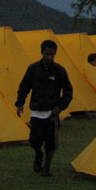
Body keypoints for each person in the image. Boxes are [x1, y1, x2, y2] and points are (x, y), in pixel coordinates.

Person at [15, 39, 73, 177]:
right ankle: (38, 154)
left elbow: (68, 91)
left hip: (52, 112)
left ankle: (47, 167)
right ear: (42, 53)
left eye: (52, 54)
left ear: (55, 54)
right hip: (36, 110)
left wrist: (60, 107)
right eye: (46, 54)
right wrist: (19, 103)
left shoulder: (60, 70)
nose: (49, 57)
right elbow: (24, 87)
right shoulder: (33, 69)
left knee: (51, 142)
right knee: (34, 140)